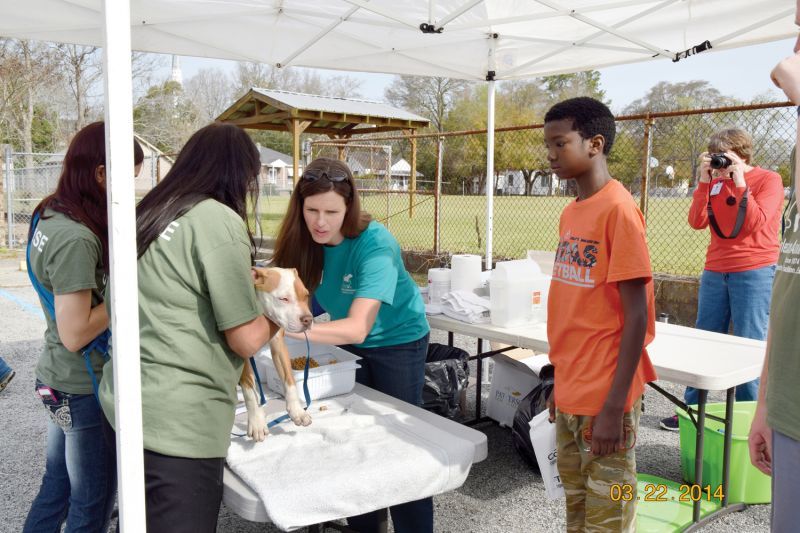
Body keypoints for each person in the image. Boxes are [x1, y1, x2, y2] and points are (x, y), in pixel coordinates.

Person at [98, 123, 276, 533]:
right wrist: (279, 313)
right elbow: (245, 338)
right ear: (241, 175)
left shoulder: (152, 211)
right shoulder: (217, 220)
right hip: (181, 422)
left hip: (126, 402)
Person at [271, 157, 431, 533]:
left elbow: (358, 327)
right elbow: (302, 297)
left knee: (402, 445)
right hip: (348, 344)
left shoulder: (376, 244)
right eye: (312, 210)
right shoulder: (302, 239)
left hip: (398, 343)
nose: (320, 222)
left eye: (331, 211)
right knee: (357, 444)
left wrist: (291, 331)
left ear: (349, 207)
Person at [543, 97, 656, 532]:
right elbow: (574, 310)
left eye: (560, 143)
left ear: (594, 143)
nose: (550, 154)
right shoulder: (572, 211)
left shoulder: (619, 210)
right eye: (547, 144)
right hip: (572, 389)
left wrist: (613, 407)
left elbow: (637, 318)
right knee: (576, 509)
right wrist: (558, 378)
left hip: (606, 397)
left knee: (608, 518)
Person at [23, 122, 143, 532]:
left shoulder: (50, 211)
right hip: (80, 386)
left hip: (56, 375)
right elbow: (76, 333)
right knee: (91, 503)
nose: (128, 193)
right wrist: (128, 286)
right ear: (100, 172)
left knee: (56, 486)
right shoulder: (76, 237)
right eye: (126, 179)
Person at [660, 128, 784, 431]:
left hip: (754, 270)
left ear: (742, 154)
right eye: (715, 155)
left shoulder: (769, 180)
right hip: (716, 270)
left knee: (749, 344)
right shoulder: (715, 183)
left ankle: (747, 418)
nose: (720, 161)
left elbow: (755, 222)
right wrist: (705, 182)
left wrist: (740, 182)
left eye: (725, 155)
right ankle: (691, 412)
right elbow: (696, 221)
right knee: (704, 340)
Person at [749, 34, 800, 531]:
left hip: (747, 267)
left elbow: (760, 226)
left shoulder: (766, 179)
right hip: (788, 410)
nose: (792, 51)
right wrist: (767, 403)